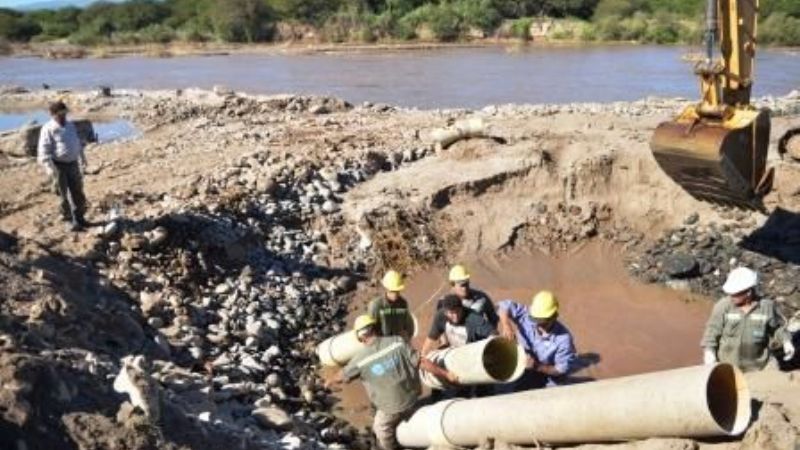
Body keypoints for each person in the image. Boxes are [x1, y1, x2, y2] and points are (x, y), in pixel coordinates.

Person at [328, 315, 458, 450]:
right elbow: (422, 362)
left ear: (360, 337)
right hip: (412, 397)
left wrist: (328, 381)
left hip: (390, 408)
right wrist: (446, 374)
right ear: (376, 328)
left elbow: (341, 376)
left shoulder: (359, 360)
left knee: (380, 428)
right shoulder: (397, 342)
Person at [701, 267, 794, 372]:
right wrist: (709, 352)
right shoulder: (723, 306)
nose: (731, 296)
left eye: (735, 293)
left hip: (758, 366)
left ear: (748, 292)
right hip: (728, 367)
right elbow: (712, 330)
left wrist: (786, 342)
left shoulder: (766, 306)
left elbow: (777, 328)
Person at [497, 290, 577, 390]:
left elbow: (560, 370)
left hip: (548, 376)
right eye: (535, 319)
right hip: (524, 367)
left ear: (554, 317)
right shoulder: (527, 315)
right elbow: (504, 306)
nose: (537, 324)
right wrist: (506, 325)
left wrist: (536, 366)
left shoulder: (563, 340)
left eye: (542, 321)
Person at [37, 100, 89, 231]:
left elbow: (77, 142)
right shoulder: (48, 128)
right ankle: (68, 221)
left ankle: (80, 218)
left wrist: (82, 157)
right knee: (62, 195)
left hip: (73, 164)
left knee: (78, 191)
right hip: (58, 166)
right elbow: (43, 151)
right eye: (60, 114)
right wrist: (49, 169)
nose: (63, 117)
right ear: (53, 114)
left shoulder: (70, 125)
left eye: (64, 113)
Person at [422, 294, 496, 356]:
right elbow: (430, 338)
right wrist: (423, 356)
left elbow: (493, 333)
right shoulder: (440, 316)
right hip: (454, 351)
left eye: (458, 311)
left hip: (474, 352)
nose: (456, 316)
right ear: (445, 312)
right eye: (452, 313)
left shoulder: (473, 318)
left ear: (462, 309)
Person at [368, 270, 415, 340]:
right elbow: (370, 329)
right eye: (393, 291)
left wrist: (408, 336)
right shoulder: (376, 306)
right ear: (386, 289)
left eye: (397, 291)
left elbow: (408, 324)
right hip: (383, 343)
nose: (396, 294)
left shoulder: (402, 303)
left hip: (399, 341)